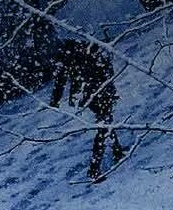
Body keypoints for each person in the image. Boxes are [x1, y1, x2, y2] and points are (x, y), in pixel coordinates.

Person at [50, 36, 125, 181]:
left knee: (106, 122)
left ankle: (116, 151)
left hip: (92, 95)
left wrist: (55, 100)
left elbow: (61, 80)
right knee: (104, 125)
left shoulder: (71, 58)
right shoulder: (88, 52)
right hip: (99, 92)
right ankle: (94, 169)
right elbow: (106, 70)